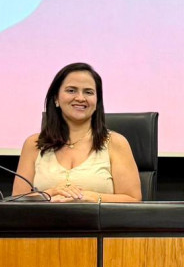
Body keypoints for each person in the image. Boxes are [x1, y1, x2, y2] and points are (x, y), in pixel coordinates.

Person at [13, 63, 142, 202]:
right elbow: (16, 201)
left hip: (97, 217)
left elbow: (133, 200)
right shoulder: (33, 144)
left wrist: (92, 198)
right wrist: (50, 194)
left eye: (88, 92)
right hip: (44, 217)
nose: (80, 98)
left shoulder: (115, 143)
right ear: (56, 98)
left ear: (97, 101)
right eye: (71, 90)